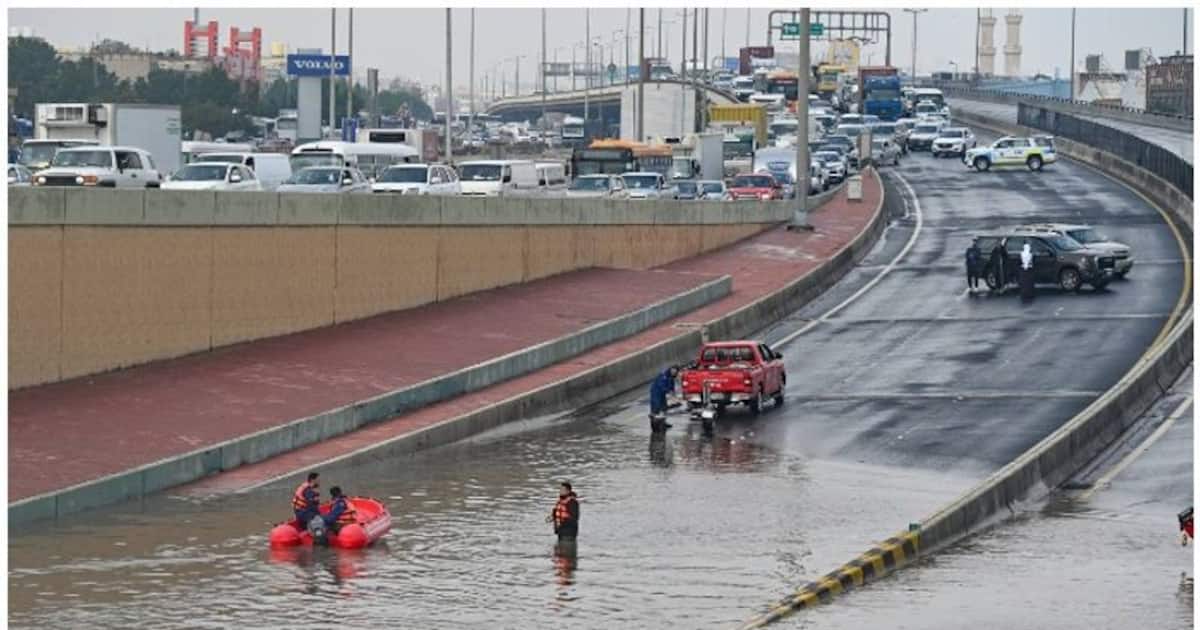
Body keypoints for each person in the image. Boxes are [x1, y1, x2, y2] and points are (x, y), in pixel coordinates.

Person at [649, 365, 680, 431]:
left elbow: (672, 385)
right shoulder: (663, 375)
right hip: (656, 392)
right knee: (656, 407)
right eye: (673, 371)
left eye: (675, 372)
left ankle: (663, 422)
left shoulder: (671, 376)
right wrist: (669, 392)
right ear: (671, 369)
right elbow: (661, 386)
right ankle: (654, 425)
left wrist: (673, 394)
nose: (674, 372)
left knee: (664, 408)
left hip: (663, 393)